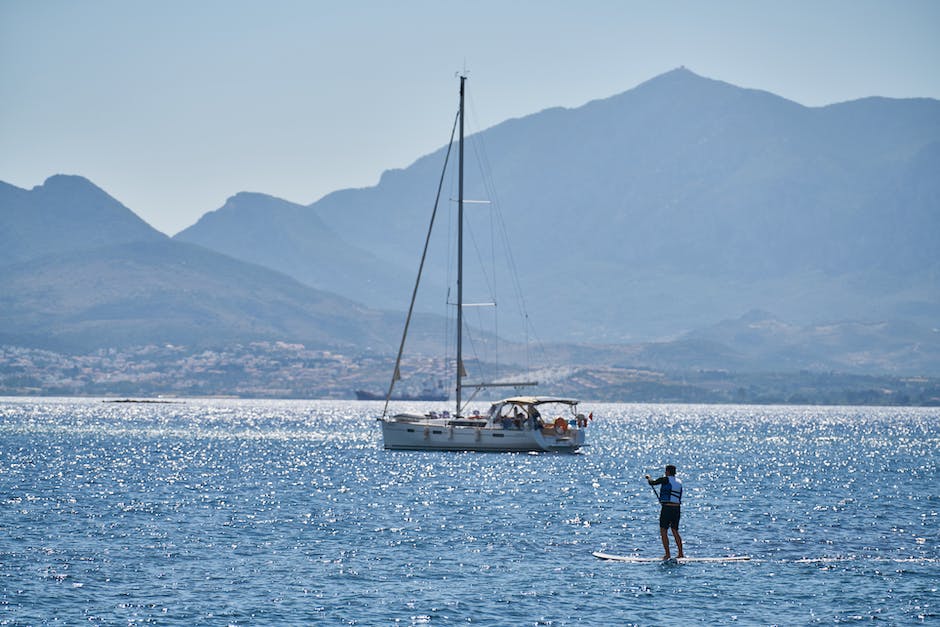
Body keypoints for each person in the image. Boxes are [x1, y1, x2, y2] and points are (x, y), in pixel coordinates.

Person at [646, 464, 684, 560]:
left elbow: (652, 483)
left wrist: (648, 477)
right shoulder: (679, 481)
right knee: (675, 530)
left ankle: (667, 554)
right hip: (677, 509)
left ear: (667, 472)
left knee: (663, 530)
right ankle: (680, 553)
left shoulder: (665, 479)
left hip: (667, 508)